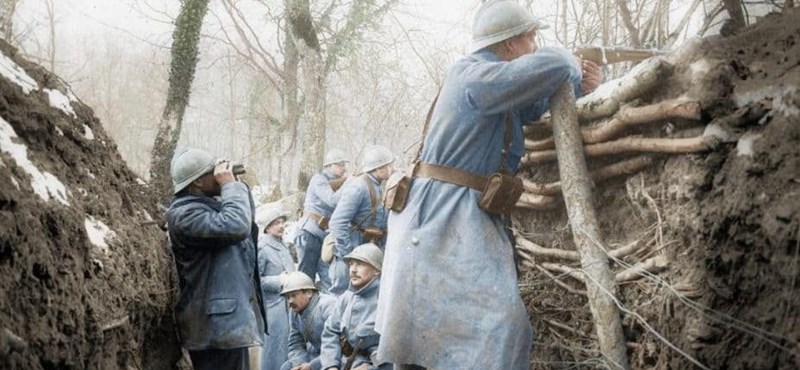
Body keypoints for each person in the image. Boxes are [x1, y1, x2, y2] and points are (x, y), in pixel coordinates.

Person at [375, 1, 603, 369]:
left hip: (456, 213)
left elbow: (539, 106)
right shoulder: (474, 76)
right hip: (441, 215)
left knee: (470, 330)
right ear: (510, 45)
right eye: (531, 39)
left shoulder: (495, 86)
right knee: (498, 325)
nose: (534, 45)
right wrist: (569, 61)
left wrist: (582, 86)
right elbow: (557, 65)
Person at [166, 147, 266, 370]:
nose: (220, 174)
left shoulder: (206, 208)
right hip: (214, 330)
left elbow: (246, 222)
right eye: (213, 172)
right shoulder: (185, 215)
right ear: (198, 183)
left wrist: (236, 185)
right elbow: (237, 225)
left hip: (224, 327)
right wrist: (230, 187)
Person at [327, 146, 393, 296]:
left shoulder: (378, 186)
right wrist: (349, 256)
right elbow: (337, 223)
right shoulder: (359, 186)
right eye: (388, 165)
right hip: (352, 253)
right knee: (341, 298)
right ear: (379, 168)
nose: (391, 168)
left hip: (366, 251)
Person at [320, 243, 389, 370]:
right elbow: (331, 331)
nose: (353, 270)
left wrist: (370, 369)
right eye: (351, 264)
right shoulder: (346, 298)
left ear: (377, 270)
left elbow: (397, 349)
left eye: (360, 264)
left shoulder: (386, 300)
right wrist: (331, 365)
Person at [295, 149, 350, 292]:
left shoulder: (336, 182)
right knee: (303, 282)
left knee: (328, 279)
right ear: (329, 165)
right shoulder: (318, 179)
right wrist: (348, 183)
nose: (343, 168)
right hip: (310, 233)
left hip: (324, 236)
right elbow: (332, 200)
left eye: (344, 165)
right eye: (339, 165)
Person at [256, 207, 296, 370]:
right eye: (276, 223)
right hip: (273, 307)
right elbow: (255, 282)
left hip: (290, 304)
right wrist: (279, 280)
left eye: (281, 222)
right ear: (267, 227)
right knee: (274, 349)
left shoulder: (282, 245)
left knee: (290, 345)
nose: (281, 226)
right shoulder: (262, 248)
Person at [279, 272, 337, 370]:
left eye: (294, 295)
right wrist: (298, 363)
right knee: (285, 367)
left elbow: (337, 344)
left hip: (334, 356)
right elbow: (295, 342)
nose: (290, 301)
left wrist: (312, 366)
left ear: (309, 293)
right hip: (313, 355)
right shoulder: (294, 312)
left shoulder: (327, 305)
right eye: (288, 297)